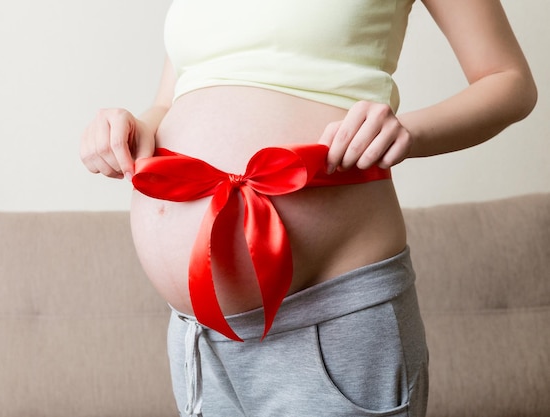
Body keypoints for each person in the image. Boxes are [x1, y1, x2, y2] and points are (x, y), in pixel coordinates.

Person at [80, 1, 537, 416]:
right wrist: (130, 127)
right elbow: (172, 99)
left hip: (333, 315)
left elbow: (509, 80)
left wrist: (408, 132)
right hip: (199, 339)